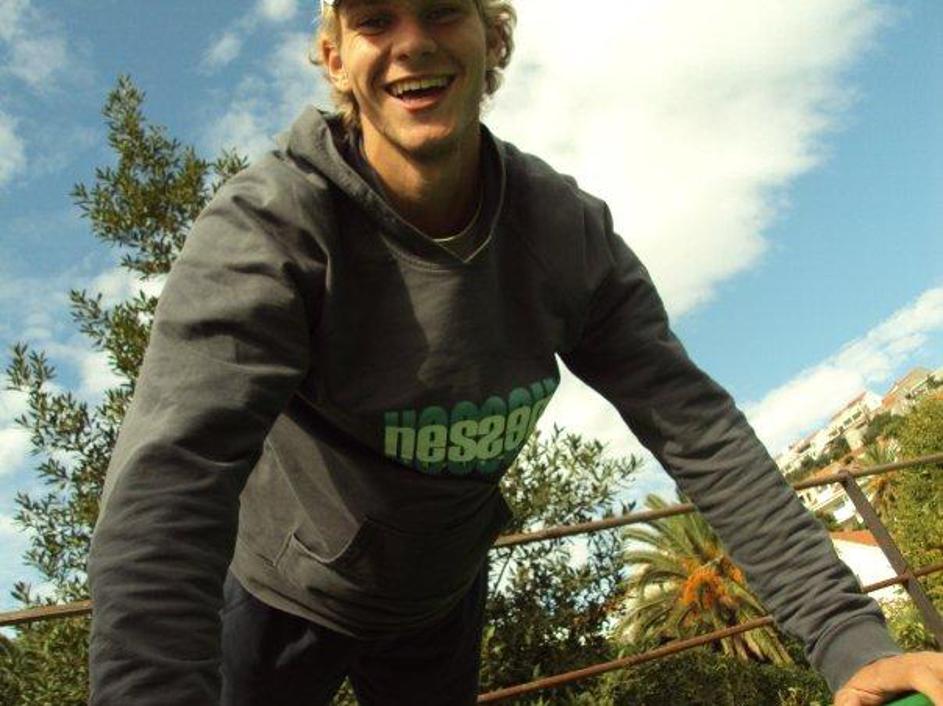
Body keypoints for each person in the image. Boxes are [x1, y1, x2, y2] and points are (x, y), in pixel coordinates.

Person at [86, 1, 943, 704]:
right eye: (375, 19)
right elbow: (173, 476)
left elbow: (699, 433)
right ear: (335, 58)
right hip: (279, 596)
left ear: (492, 37)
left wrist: (849, 640)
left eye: (440, 11)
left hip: (438, 601)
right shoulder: (271, 226)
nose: (411, 42)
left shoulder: (562, 232)